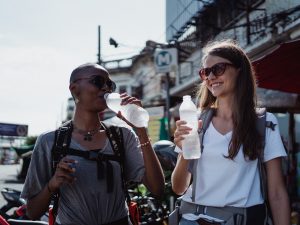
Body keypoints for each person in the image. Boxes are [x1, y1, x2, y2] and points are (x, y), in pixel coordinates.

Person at [21, 63, 165, 225]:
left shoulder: (122, 136)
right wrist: (52, 185)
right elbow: (33, 212)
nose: (106, 89)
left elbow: (158, 189)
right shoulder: (49, 141)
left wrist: (141, 130)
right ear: (74, 89)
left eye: (110, 84)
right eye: (98, 81)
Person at [171, 40, 290, 225]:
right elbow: (178, 188)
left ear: (239, 70)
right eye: (205, 72)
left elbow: (277, 193)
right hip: (192, 220)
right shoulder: (195, 121)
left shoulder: (265, 122)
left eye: (218, 69)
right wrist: (185, 152)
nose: (210, 76)